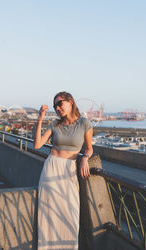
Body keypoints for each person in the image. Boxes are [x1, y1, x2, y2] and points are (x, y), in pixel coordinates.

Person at [34, 91, 93, 250]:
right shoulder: (55, 124)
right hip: (52, 168)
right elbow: (37, 144)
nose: (58, 108)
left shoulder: (84, 123)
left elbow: (89, 148)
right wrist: (40, 118)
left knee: (70, 213)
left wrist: (85, 158)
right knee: (48, 214)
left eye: (60, 103)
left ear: (70, 102)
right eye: (55, 106)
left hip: (70, 170)